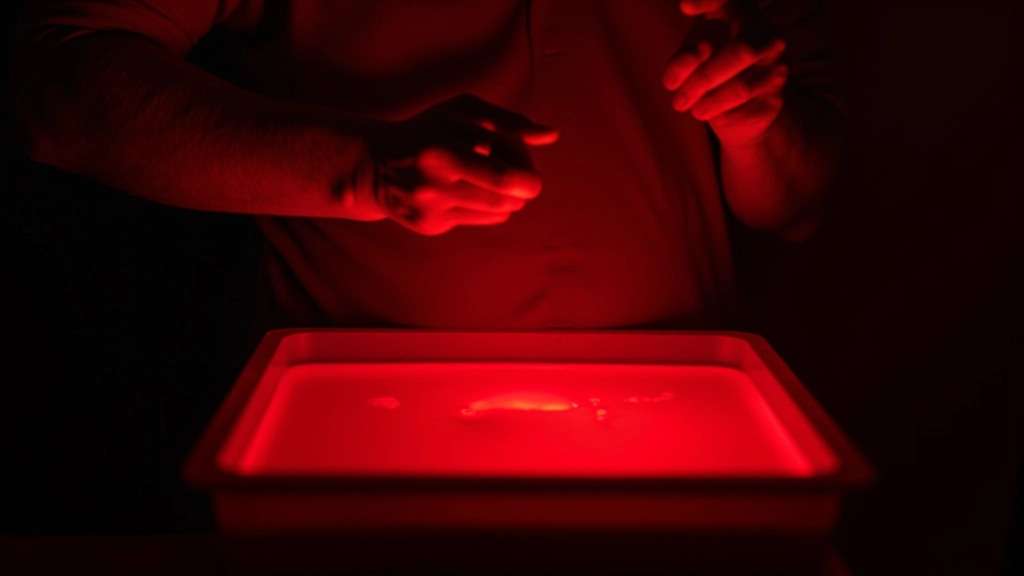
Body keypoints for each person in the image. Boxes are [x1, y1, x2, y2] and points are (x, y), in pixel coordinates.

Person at [14, 0, 844, 333]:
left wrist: (757, 122)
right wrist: (361, 168)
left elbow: (803, 204)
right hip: (356, 451)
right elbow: (57, 87)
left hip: (685, 443)